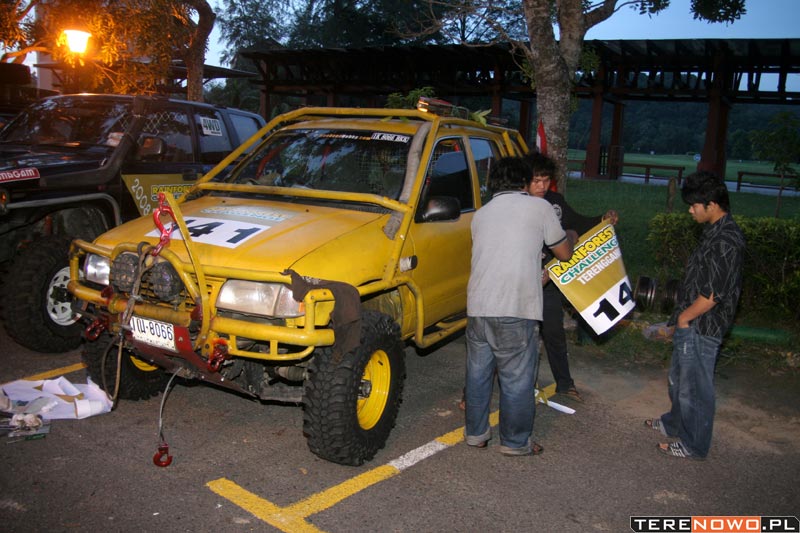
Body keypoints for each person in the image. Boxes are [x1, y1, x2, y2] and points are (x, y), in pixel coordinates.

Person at [464, 156, 573, 456]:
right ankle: (514, 442)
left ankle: (476, 434)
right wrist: (570, 237)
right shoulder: (540, 208)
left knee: (478, 375)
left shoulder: (481, 214)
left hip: (478, 306)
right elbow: (564, 253)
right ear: (524, 182)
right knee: (516, 379)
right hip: (515, 305)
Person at [645, 170, 745, 460]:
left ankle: (693, 444)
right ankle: (674, 424)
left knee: (695, 389)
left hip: (702, 325)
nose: (690, 210)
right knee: (679, 380)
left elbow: (713, 294)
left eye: (694, 205)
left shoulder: (726, 240)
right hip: (691, 322)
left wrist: (684, 319)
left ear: (711, 205)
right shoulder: (714, 230)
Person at [524, 152, 619, 402]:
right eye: (536, 180)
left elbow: (578, 223)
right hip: (520, 281)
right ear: (524, 180)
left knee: (554, 333)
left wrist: (602, 220)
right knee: (515, 337)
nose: (542, 186)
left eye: (546, 180)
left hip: (549, 282)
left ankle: (565, 384)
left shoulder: (554, 202)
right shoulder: (517, 203)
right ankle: (499, 387)